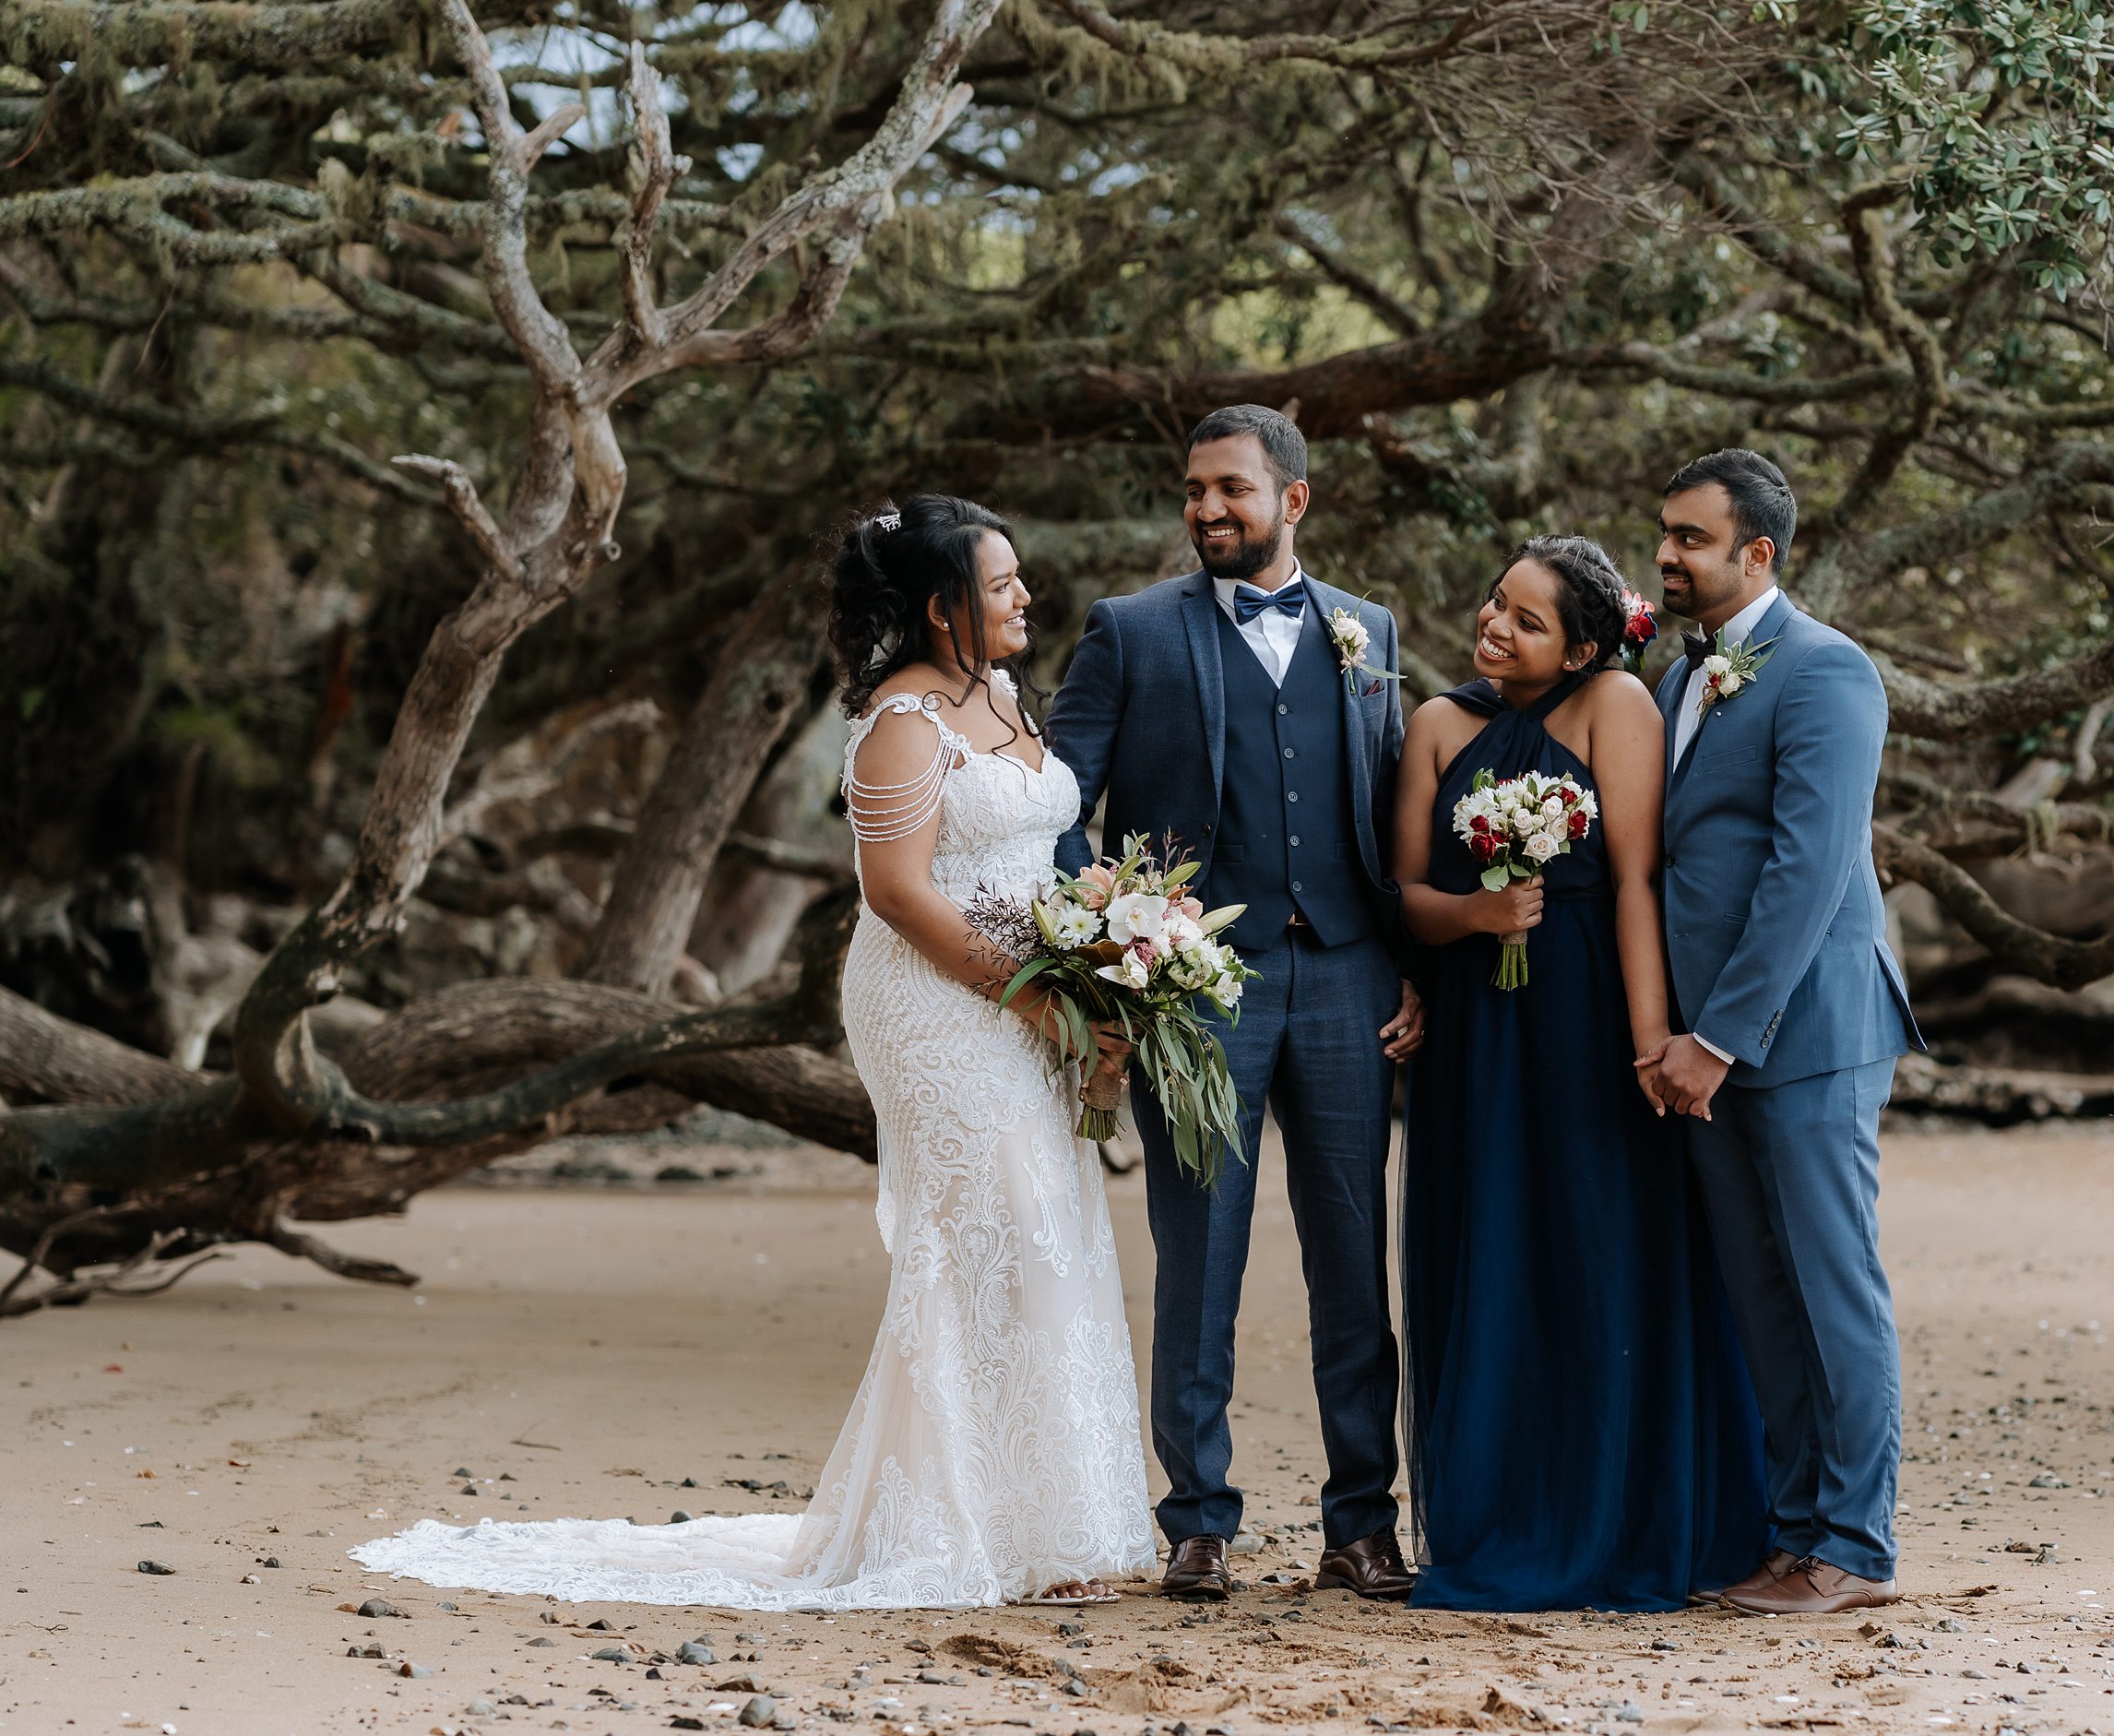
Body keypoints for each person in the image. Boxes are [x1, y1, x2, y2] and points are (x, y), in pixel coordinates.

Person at [352, 495, 1158, 1610]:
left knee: (1044, 1225)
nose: (1026, 594)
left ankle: (1054, 1520)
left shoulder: (1007, 697)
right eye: (1002, 581)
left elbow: (1030, 849)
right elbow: (899, 893)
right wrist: (1029, 994)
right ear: (939, 606)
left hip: (1025, 987)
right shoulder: (899, 724)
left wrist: (1096, 949)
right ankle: (959, 1529)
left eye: (1022, 577)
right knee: (986, 1229)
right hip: (936, 1000)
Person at [1048, 405, 1430, 1601]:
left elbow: (1395, 812)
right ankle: (1198, 1522)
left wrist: (1414, 961)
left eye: (1233, 491)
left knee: (1353, 1263)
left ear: (1293, 502)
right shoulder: (1131, 632)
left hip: (1350, 978)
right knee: (1198, 1256)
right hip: (1195, 986)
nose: (1208, 510)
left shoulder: (1369, 632)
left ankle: (1361, 1523)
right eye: (1194, 491)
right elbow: (1057, 805)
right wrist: (1107, 943)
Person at [1392, 537, 1769, 1611]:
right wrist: (1479, 913)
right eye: (1494, 602)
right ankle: (1502, 1512)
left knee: (1604, 1250)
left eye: (1526, 619)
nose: (1494, 626)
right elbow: (1407, 894)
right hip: (1476, 1036)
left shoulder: (1618, 708)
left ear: (1585, 648)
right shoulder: (1434, 724)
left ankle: (1621, 1511)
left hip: (1592, 1022)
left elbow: (1640, 882)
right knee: (1493, 1251)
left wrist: (1654, 1042)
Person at [1635, 450, 1925, 1617]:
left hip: (1805, 1033)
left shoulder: (1829, 674)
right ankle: (1797, 1529)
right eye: (1665, 532)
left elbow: (1809, 873)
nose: (1668, 553)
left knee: (1831, 1284)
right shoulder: (1677, 678)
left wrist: (1717, 1036)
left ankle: (1857, 1545)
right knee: (1762, 1293)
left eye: (1692, 537)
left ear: (1757, 551)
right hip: (1708, 1047)